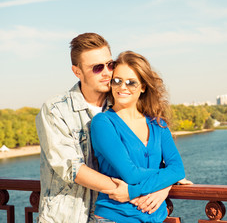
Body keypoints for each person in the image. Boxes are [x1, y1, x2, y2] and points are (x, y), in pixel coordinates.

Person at [36, 33, 170, 223]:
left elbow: (158, 161)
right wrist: (129, 191)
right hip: (68, 218)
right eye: (97, 68)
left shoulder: (123, 105)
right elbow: (73, 169)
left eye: (110, 64)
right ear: (77, 71)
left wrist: (166, 186)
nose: (107, 72)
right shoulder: (56, 110)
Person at [90, 51, 188, 223]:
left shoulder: (158, 124)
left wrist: (162, 186)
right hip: (115, 218)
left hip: (157, 218)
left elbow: (178, 169)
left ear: (143, 87)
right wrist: (169, 177)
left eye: (131, 83)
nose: (122, 87)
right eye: (117, 81)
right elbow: (131, 174)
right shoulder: (103, 123)